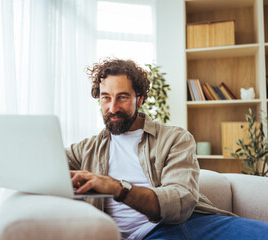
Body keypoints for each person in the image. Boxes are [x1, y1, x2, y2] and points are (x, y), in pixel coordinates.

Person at [66, 58, 268, 240]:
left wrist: (118, 188)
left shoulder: (175, 138)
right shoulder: (87, 148)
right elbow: (43, 164)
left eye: (123, 97)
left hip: (188, 223)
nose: (112, 108)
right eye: (106, 98)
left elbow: (179, 201)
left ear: (140, 99)